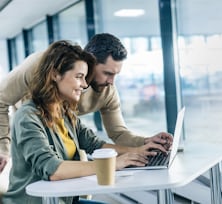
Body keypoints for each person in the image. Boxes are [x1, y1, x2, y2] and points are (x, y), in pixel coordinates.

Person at [2, 40, 163, 204]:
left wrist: (137, 151)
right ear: (55, 74)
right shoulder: (27, 116)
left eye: (85, 77)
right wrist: (112, 164)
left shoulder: (65, 113)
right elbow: (52, 169)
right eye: (79, 77)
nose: (85, 84)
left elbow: (95, 144)